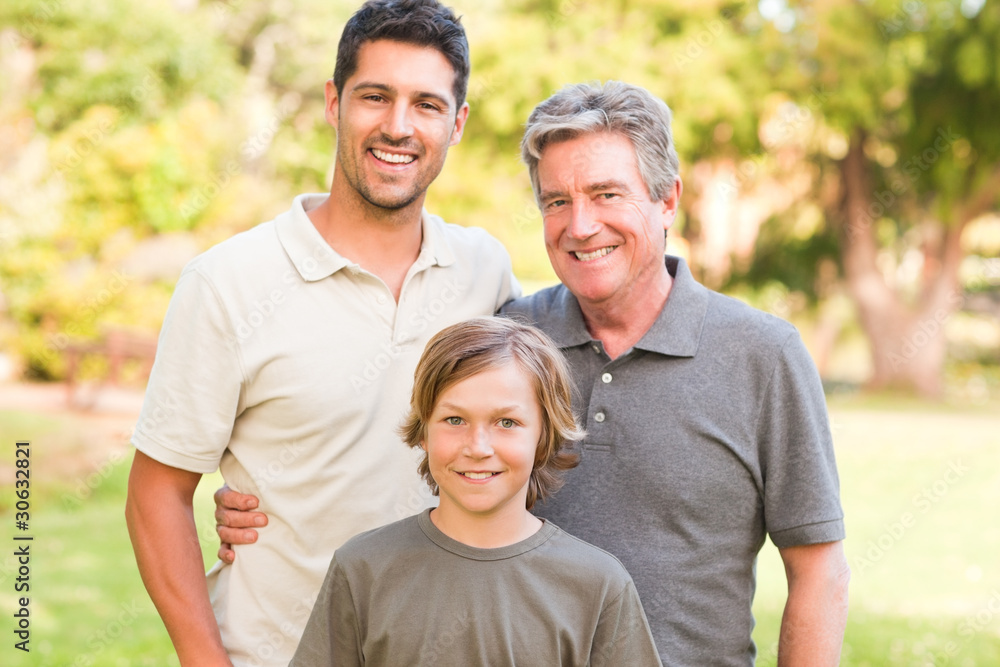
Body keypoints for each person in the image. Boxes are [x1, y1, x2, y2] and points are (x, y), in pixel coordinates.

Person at [216, 81, 850, 665]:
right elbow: (424, 445)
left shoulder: (763, 355)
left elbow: (817, 569)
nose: (580, 225)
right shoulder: (513, 340)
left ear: (667, 200)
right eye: (557, 201)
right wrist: (273, 495)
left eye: (607, 194)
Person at [124, 1, 519, 666]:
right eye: (375, 96)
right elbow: (154, 493)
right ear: (335, 103)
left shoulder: (485, 273)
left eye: (426, 104)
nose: (398, 125)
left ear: (457, 124)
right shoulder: (229, 282)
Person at [289, 316, 663, 667]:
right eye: (455, 419)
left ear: (544, 435)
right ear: (423, 431)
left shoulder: (598, 584)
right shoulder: (362, 568)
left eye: (507, 422)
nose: (479, 446)